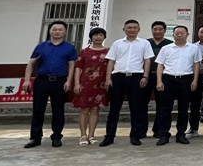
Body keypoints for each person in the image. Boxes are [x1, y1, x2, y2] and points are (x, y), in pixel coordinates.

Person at [99, 19, 154, 147]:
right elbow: (111, 61)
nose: (132, 30)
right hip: (118, 77)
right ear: (124, 29)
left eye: (135, 27)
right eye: (129, 27)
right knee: (114, 109)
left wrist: (145, 77)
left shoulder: (145, 43)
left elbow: (147, 61)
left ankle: (135, 136)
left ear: (139, 29)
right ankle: (109, 136)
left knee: (136, 109)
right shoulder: (117, 43)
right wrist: (108, 78)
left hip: (136, 77)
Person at [23, 20, 77, 148]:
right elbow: (31, 63)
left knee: (58, 110)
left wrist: (69, 81)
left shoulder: (69, 48)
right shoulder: (41, 46)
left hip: (59, 82)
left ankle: (57, 136)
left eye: (60, 29)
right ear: (50, 31)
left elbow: (71, 65)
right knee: (38, 110)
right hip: (42, 81)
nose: (57, 32)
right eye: (54, 29)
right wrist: (27, 80)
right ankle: (35, 138)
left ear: (65, 32)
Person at [155, 25, 201, 146]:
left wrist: (195, 80)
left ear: (187, 34)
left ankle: (181, 134)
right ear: (173, 35)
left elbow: (196, 65)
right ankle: (164, 134)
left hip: (186, 80)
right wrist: (159, 81)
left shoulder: (194, 48)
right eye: (177, 33)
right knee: (165, 108)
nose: (179, 35)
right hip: (168, 79)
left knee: (184, 108)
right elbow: (160, 65)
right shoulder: (166, 48)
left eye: (182, 33)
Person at [73, 27, 109, 146]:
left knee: (95, 109)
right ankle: (83, 135)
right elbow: (78, 68)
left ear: (104, 37)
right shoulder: (84, 51)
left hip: (100, 84)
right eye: (95, 35)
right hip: (85, 84)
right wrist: (77, 83)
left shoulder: (108, 51)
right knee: (84, 109)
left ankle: (91, 135)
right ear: (91, 37)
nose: (98, 37)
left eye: (101, 35)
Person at [143, 21, 173, 139]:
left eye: (160, 29)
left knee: (162, 104)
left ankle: (159, 130)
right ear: (151, 30)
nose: (157, 31)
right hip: (146, 75)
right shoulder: (145, 43)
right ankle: (141, 130)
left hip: (163, 77)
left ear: (165, 31)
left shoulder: (170, 44)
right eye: (155, 29)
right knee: (142, 104)